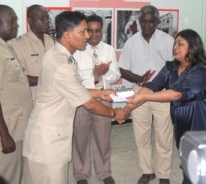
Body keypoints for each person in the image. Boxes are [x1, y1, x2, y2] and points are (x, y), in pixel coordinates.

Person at [22, 11, 127, 184]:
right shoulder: (61, 63)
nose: (87, 36)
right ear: (67, 35)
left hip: (49, 135)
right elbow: (89, 104)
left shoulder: (60, 56)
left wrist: (99, 92)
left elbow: (74, 88)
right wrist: (115, 113)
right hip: (48, 141)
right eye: (83, 32)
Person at [126, 29, 206, 184]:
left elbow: (176, 94)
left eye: (180, 43)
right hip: (181, 116)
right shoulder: (171, 67)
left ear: (193, 47)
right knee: (186, 155)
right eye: (175, 43)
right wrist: (130, 106)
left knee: (204, 160)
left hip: (201, 117)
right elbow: (154, 84)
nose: (175, 47)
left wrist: (142, 96)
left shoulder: (202, 69)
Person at [118, 5, 174, 184]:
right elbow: (123, 69)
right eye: (143, 21)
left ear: (158, 21)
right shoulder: (131, 42)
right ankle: (147, 171)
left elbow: (174, 68)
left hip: (161, 93)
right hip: (138, 91)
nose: (147, 24)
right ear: (139, 21)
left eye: (151, 21)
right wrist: (139, 78)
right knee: (141, 134)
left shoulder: (167, 40)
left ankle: (164, 174)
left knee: (163, 135)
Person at [0, 4, 32, 183]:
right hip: (3, 132)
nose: (16, 25)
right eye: (11, 21)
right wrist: (4, 136)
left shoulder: (4, 47)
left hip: (16, 125)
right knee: (4, 178)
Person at [72, 14, 121, 184]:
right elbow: (72, 77)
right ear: (85, 31)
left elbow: (115, 77)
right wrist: (93, 73)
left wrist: (106, 72)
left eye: (97, 31)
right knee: (80, 139)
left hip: (104, 97)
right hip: (82, 100)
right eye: (90, 31)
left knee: (103, 139)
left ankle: (104, 172)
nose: (94, 35)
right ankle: (81, 175)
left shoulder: (108, 49)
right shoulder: (76, 48)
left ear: (102, 31)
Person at [11, 4, 54, 101]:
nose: (46, 21)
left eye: (47, 18)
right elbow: (18, 78)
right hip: (33, 101)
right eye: (42, 18)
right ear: (30, 20)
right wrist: (46, 79)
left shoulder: (51, 41)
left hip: (53, 99)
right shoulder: (18, 44)